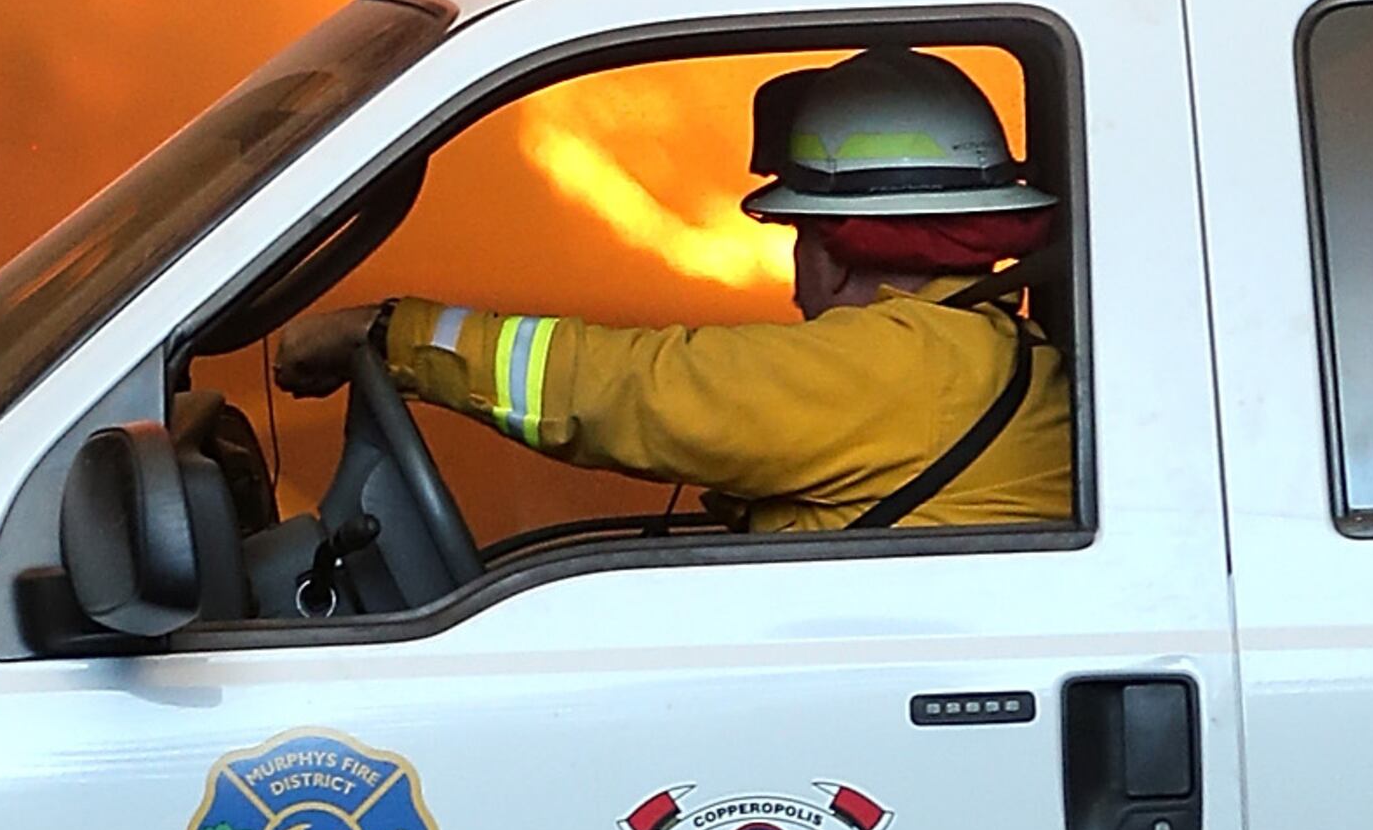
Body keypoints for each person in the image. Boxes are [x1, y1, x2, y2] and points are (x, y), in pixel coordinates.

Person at [276, 45, 1074, 536]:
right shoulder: (976, 352)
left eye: (798, 237)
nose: (800, 283)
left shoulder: (903, 370)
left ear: (834, 248)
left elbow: (632, 391)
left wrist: (394, 336)